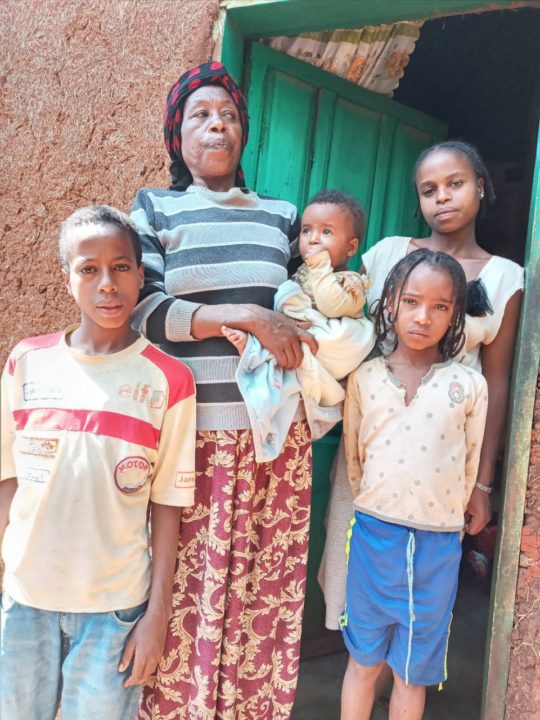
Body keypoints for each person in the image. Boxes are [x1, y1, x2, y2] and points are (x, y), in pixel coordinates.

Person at [130, 62, 316, 720]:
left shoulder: (282, 216)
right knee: (179, 601)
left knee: (258, 599)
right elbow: (144, 310)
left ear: (244, 133)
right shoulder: (156, 208)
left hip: (271, 442)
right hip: (186, 443)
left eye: (229, 115)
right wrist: (242, 316)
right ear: (175, 133)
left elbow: (310, 305)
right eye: (200, 115)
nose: (217, 124)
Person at [0, 205, 196, 720]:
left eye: (122, 266)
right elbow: (6, 478)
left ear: (140, 274)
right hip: (24, 600)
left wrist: (156, 617)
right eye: (89, 268)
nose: (107, 283)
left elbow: (168, 507)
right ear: (67, 280)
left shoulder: (168, 379)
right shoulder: (27, 361)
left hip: (115, 610)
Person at [320, 139, 524, 631]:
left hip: (441, 464)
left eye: (455, 184)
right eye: (429, 189)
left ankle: (401, 684)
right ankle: (359, 679)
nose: (443, 197)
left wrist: (483, 483)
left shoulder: (504, 278)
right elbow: (337, 314)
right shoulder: (388, 254)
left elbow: (495, 383)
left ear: (481, 186)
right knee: (352, 573)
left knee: (417, 590)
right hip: (371, 448)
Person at [340, 249, 488, 720]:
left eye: (440, 306)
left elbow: (469, 462)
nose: (423, 317)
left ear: (455, 315)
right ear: (389, 304)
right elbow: (355, 457)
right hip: (373, 537)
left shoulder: (468, 386)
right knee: (363, 660)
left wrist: (449, 513)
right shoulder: (364, 377)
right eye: (411, 301)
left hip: (437, 546)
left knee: (412, 672)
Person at [221, 189, 375, 462]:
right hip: (310, 332)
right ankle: (259, 352)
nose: (313, 238)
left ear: (351, 247)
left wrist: (318, 266)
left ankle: (263, 351)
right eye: (306, 231)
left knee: (341, 337)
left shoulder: (350, 282)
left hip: (334, 339)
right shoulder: (303, 273)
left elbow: (330, 305)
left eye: (326, 232)